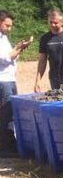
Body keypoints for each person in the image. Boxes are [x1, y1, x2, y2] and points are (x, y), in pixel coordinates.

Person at [0, 11, 33, 155]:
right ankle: (6, 149)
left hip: (10, 79)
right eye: (7, 25)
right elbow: (6, 59)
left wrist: (20, 48)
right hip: (3, 81)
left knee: (11, 113)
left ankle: (10, 145)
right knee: (6, 114)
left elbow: (12, 57)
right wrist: (19, 48)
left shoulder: (4, 38)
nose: (9, 28)